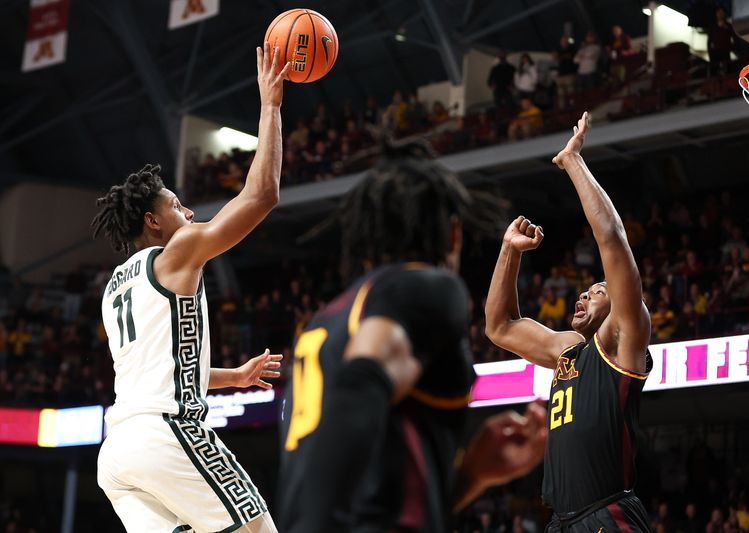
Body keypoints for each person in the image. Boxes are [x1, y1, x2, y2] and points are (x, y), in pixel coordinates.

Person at [278, 137, 549, 532]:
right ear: (453, 233)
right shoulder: (426, 287)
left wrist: (474, 473)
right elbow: (361, 382)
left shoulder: (326, 320)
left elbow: (378, 498)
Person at [92, 45, 289, 533]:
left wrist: (233, 377)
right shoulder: (174, 255)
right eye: (180, 207)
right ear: (153, 221)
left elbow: (162, 371)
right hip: (166, 434)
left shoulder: (115, 287)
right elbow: (261, 196)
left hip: (117, 456)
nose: (191, 215)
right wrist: (270, 106)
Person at [485, 112, 652, 532]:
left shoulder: (621, 338)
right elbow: (500, 327)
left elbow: (612, 238)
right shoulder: (566, 350)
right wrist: (510, 251)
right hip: (560, 522)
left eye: (597, 290)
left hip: (607, 513)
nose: (584, 294)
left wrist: (573, 160)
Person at [554, 35, 578, 109]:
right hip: (561, 74)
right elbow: (555, 58)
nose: (563, 42)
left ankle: (573, 106)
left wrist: (561, 57)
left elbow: (571, 57)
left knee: (571, 92)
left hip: (570, 74)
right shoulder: (558, 50)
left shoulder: (572, 49)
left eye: (565, 41)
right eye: (562, 41)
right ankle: (562, 109)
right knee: (561, 94)